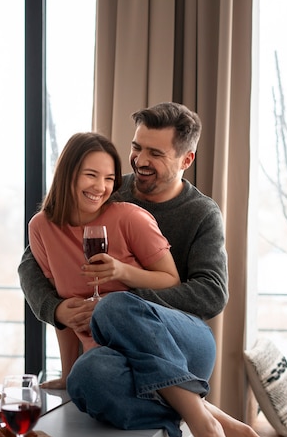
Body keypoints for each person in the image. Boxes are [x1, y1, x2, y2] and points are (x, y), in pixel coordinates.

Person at [19, 102, 265, 437]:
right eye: (137, 148)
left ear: (187, 158)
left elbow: (211, 294)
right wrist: (58, 310)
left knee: (115, 308)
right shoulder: (111, 187)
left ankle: (202, 428)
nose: (140, 161)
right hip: (118, 352)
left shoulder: (201, 214)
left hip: (183, 344)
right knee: (88, 379)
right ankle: (203, 412)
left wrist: (128, 295)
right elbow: (35, 265)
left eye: (155, 153)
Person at [28, 132, 180, 388]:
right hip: (99, 359)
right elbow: (67, 312)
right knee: (88, 382)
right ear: (68, 174)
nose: (101, 187)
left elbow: (171, 280)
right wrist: (68, 375)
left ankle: (205, 416)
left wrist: (121, 272)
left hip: (151, 342)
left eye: (109, 178)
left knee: (111, 312)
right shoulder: (42, 227)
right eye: (91, 175)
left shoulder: (130, 218)